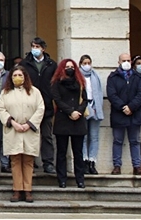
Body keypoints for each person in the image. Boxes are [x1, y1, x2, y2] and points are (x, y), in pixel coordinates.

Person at [0, 65, 45, 203]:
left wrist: (28, 124)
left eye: (20, 75)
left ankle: (28, 190)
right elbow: (1, 109)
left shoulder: (34, 92)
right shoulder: (5, 93)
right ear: (10, 78)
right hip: (13, 130)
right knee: (15, 160)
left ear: (25, 77)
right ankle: (17, 190)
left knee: (28, 160)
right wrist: (13, 123)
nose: (17, 78)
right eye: (15, 75)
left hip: (29, 130)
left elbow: (40, 109)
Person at [19, 37, 57, 174]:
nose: (34, 49)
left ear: (43, 48)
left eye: (37, 46)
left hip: (46, 105)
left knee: (46, 135)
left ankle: (48, 163)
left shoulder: (52, 64)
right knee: (30, 135)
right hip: (29, 105)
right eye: (33, 46)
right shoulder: (25, 64)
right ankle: (31, 162)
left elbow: (56, 83)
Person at [50, 59, 88, 188]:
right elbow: (57, 99)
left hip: (78, 120)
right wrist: (70, 112)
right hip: (63, 119)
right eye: (67, 67)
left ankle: (80, 179)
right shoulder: (56, 83)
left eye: (72, 67)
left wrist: (79, 112)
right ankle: (62, 179)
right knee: (61, 152)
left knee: (78, 152)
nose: (70, 69)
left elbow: (85, 100)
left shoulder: (80, 82)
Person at [107, 53, 141, 175]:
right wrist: (123, 107)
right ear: (119, 62)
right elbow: (112, 95)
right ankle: (117, 166)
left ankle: (137, 166)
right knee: (118, 141)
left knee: (135, 141)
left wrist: (131, 107)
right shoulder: (113, 77)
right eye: (124, 60)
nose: (127, 62)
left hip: (135, 114)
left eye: (128, 60)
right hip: (119, 114)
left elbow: (140, 94)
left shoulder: (137, 77)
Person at [79, 55, 104, 175]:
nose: (87, 65)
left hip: (95, 108)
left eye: (89, 62)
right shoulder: (78, 77)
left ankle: (92, 161)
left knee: (94, 137)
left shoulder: (95, 76)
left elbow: (99, 92)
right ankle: (83, 160)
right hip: (83, 108)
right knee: (83, 137)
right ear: (80, 64)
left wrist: (96, 107)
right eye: (84, 63)